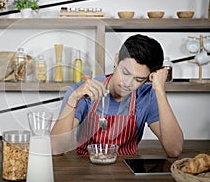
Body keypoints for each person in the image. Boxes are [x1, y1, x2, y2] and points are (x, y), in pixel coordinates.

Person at [51, 34, 183, 157]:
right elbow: (56, 149)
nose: (127, 83)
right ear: (116, 59)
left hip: (126, 170)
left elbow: (174, 150)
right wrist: (73, 98)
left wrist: (160, 90)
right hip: (87, 169)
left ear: (149, 78)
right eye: (125, 72)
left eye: (138, 79)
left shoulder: (147, 96)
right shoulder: (83, 92)